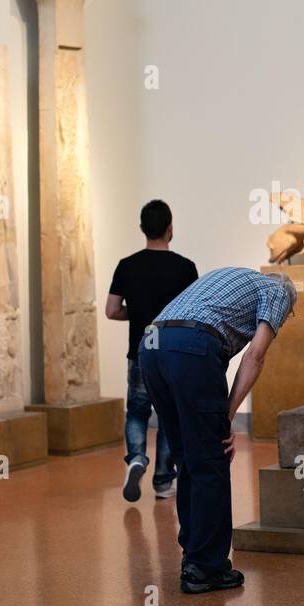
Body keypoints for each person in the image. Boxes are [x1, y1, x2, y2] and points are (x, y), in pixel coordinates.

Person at [138, 267, 296, 594]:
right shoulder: (279, 291)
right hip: (191, 347)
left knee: (188, 458)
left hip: (151, 346)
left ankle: (194, 553)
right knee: (211, 457)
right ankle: (205, 568)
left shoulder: (231, 277)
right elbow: (255, 355)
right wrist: (228, 414)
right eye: (288, 317)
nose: (284, 319)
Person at [105, 200, 198, 502]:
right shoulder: (185, 268)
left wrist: (140, 312)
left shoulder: (127, 266)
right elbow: (193, 314)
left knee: (137, 410)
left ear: (142, 229)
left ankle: (136, 458)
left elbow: (111, 310)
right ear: (170, 229)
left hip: (140, 352)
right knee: (169, 414)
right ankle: (162, 481)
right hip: (173, 353)